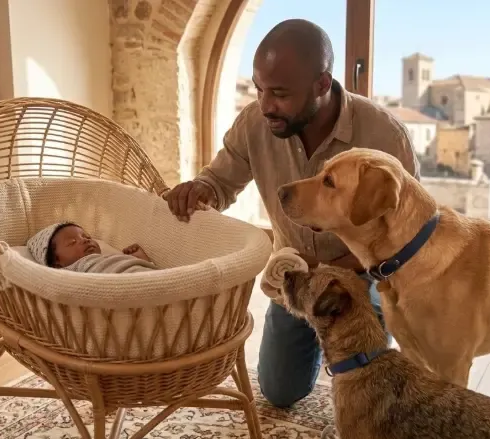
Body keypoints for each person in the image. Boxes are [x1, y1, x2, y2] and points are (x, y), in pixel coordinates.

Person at [163, 19, 420, 408]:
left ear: (322, 84)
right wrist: (198, 192)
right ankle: (318, 347)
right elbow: (218, 182)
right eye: (259, 89)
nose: (266, 105)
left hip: (366, 281)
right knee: (280, 392)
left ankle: (351, 346)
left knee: (370, 395)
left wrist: (336, 269)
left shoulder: (385, 137)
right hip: (295, 279)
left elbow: (406, 235)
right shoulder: (254, 122)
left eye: (280, 93)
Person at [27, 222, 159, 273]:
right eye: (72, 242)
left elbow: (132, 268)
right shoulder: (69, 273)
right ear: (57, 264)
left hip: (148, 278)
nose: (84, 241)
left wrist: (141, 260)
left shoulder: (109, 258)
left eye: (87, 237)